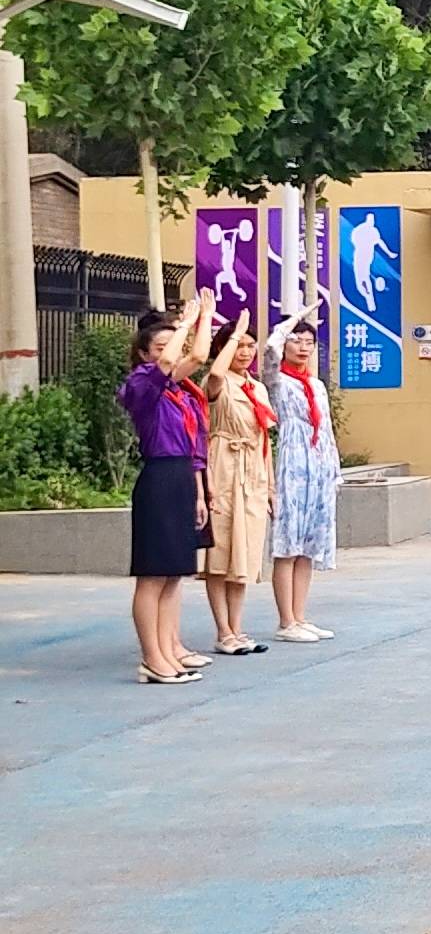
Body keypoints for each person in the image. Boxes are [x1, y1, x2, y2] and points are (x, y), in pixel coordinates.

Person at [120, 289, 216, 685]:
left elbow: (195, 357)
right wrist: (186, 324)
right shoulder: (141, 385)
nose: (171, 351)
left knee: (174, 572)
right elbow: (170, 359)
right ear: (145, 354)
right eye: (161, 345)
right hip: (158, 479)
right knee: (153, 574)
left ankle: (167, 650)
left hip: (179, 476)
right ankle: (151, 658)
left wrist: (204, 318)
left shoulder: (175, 390)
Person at [199, 321, 275, 656]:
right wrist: (232, 333)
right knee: (221, 553)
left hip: (252, 471)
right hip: (223, 467)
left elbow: (264, 439)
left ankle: (238, 628)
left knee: (244, 554)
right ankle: (223, 631)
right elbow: (215, 373)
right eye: (238, 345)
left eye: (249, 345)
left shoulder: (258, 388)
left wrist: (269, 485)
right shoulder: (217, 382)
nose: (245, 352)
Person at [266, 316, 341, 643]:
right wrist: (290, 323)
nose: (303, 347)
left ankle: (300, 615)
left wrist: (333, 470)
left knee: (308, 544)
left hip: (319, 465)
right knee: (288, 542)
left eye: (309, 342)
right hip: (293, 462)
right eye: (296, 340)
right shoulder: (277, 381)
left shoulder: (316, 385)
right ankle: (286, 621)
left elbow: (325, 429)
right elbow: (269, 350)